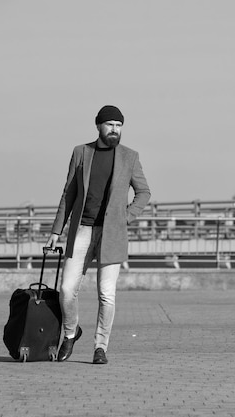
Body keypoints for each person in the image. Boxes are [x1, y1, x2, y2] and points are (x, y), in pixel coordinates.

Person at [46, 105, 151, 364]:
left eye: (119, 125)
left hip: (112, 233)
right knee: (67, 289)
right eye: (110, 124)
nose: (115, 129)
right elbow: (68, 193)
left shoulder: (130, 157)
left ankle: (100, 347)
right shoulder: (81, 152)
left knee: (107, 294)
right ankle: (70, 333)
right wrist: (56, 230)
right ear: (98, 126)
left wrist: (125, 217)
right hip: (81, 229)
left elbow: (144, 193)